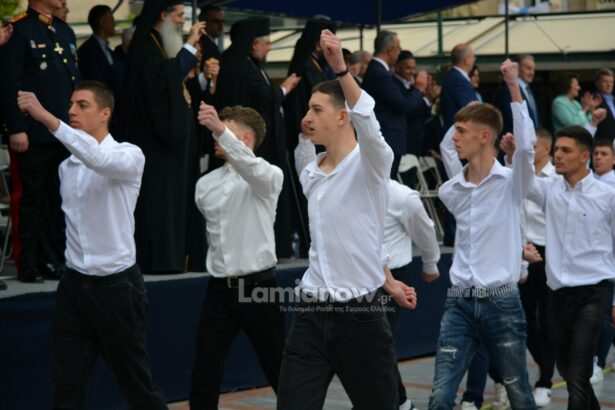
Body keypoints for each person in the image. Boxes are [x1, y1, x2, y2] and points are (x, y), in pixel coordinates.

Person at [277, 29, 416, 410]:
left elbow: (368, 122)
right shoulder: (311, 171)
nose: (307, 117)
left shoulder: (372, 163)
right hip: (309, 314)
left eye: (316, 110)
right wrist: (388, 279)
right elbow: (353, 238)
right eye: (307, 109)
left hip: (361, 318)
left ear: (342, 117)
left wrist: (341, 69)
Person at [17, 81, 167, 409]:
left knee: (136, 384)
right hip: (73, 287)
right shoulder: (66, 167)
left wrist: (45, 117)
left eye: (82, 105)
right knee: (66, 386)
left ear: (105, 113)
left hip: (117, 288)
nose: (72, 111)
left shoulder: (128, 155)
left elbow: (98, 159)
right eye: (70, 104)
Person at [428, 59, 536, 410]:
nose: (454, 137)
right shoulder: (452, 190)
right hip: (459, 301)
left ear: (485, 137)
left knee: (519, 394)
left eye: (461, 131)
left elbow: (527, 148)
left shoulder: (512, 183)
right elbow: (447, 147)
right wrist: (467, 107)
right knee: (440, 396)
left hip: (502, 301)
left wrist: (514, 87)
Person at [189, 104, 285, 409]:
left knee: (278, 366)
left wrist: (219, 129)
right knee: (205, 368)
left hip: (258, 288)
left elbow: (252, 169)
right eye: (216, 131)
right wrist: (221, 130)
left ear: (245, 139)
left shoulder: (268, 176)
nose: (215, 136)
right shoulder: (205, 184)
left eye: (224, 131)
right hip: (219, 290)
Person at [520, 125, 615, 409]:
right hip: (557, 294)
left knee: (579, 368)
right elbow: (521, 177)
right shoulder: (549, 190)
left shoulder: (608, 196)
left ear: (584, 156)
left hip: (594, 293)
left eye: (565, 150)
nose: (557, 155)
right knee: (569, 371)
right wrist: (517, 104)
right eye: (556, 149)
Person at [122, 0, 206, 273]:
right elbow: (162, 82)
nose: (182, 21)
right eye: (179, 15)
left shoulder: (157, 43)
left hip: (168, 141)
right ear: (163, 15)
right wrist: (189, 46)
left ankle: (177, 256)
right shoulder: (145, 46)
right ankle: (160, 260)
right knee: (158, 203)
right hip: (154, 142)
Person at [0, 0, 79, 282]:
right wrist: (15, 128)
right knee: (29, 199)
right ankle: (28, 262)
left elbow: (72, 82)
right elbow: (9, 82)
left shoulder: (64, 31)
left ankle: (52, 258)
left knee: (58, 198)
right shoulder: (19, 31)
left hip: (62, 132)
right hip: (32, 134)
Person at [214, 16, 300, 257]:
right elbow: (264, 95)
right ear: (254, 44)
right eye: (267, 43)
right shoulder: (242, 66)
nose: (270, 47)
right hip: (253, 143)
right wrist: (284, 88)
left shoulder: (252, 65)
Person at [501, 127, 557, 407]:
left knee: (547, 319)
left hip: (546, 252)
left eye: (534, 147)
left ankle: (545, 381)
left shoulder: (555, 179)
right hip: (519, 248)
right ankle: (536, 370)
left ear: (546, 149)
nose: (529, 151)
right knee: (521, 319)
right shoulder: (515, 172)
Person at [384, 178, 441, 410]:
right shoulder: (346, 189)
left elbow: (426, 231)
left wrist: (430, 265)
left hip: (392, 276)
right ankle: (400, 402)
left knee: (377, 343)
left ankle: (399, 402)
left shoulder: (401, 196)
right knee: (373, 345)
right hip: (353, 276)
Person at [362, 31, 431, 178]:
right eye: (399, 48)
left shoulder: (380, 71)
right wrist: (419, 88)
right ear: (390, 49)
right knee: (384, 184)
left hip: (390, 140)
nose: (399, 52)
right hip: (387, 139)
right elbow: (403, 105)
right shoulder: (379, 73)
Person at [495, 55, 541, 133]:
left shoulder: (529, 90)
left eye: (533, 69)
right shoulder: (507, 89)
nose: (532, 72)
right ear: (517, 69)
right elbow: (511, 117)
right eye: (528, 68)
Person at [440, 44, 477, 129]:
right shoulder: (459, 81)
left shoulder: (452, 76)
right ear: (466, 60)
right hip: (459, 132)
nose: (474, 59)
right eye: (473, 56)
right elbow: (473, 113)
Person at [78, 5, 116, 86]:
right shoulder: (88, 51)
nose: (114, 23)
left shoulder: (109, 50)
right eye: (111, 19)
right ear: (102, 23)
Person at [593, 68, 615, 142]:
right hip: (603, 141)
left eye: (611, 82)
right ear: (597, 83)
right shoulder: (593, 99)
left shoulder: (613, 99)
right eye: (605, 81)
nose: (609, 85)